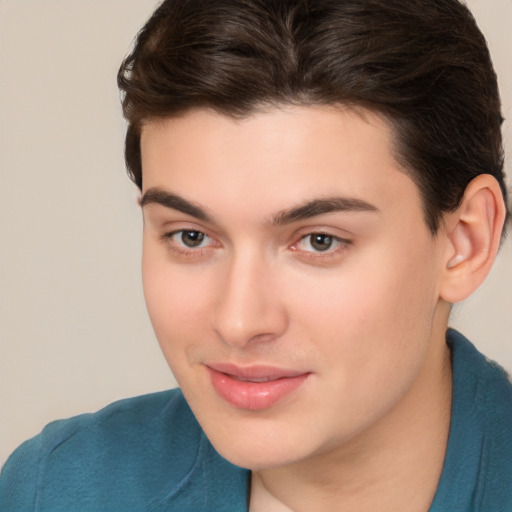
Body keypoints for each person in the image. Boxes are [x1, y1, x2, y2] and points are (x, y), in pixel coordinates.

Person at [1, 0, 511, 510]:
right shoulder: (53, 489)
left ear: (465, 242)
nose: (239, 322)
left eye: (319, 241)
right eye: (191, 237)